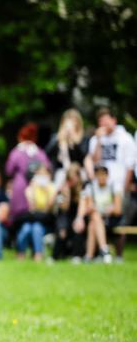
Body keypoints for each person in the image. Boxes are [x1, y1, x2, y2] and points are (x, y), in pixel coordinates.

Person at [85, 107, 134, 259]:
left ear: (114, 120)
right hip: (100, 188)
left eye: (106, 120)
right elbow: (94, 161)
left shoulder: (125, 138)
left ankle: (117, 254)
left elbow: (129, 166)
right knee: (97, 217)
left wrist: (125, 188)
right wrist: (99, 140)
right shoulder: (96, 140)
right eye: (101, 121)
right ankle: (101, 252)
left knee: (119, 220)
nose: (104, 124)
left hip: (117, 186)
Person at [5, 123, 50, 228]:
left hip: (20, 187)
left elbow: (8, 170)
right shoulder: (39, 152)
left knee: (20, 219)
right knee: (34, 217)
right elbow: (47, 167)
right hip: (37, 189)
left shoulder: (17, 152)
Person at [15, 163, 56, 262]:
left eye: (43, 174)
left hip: (45, 220)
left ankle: (38, 254)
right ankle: (21, 252)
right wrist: (33, 189)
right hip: (33, 218)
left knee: (37, 228)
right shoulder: (30, 189)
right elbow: (31, 208)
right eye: (39, 174)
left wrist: (46, 191)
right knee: (26, 228)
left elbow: (48, 208)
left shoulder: (52, 188)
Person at [81, 165, 121, 263]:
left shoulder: (114, 186)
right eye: (98, 175)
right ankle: (104, 250)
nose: (101, 177)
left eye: (103, 175)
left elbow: (117, 210)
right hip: (97, 217)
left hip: (111, 219)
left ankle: (89, 256)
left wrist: (102, 210)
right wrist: (104, 209)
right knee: (94, 219)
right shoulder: (91, 187)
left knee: (93, 222)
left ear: (107, 176)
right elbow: (90, 208)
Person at [45, 109, 87, 188]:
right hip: (61, 174)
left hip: (77, 173)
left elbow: (83, 157)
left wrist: (74, 140)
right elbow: (47, 153)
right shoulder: (56, 138)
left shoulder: (83, 139)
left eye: (73, 121)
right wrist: (59, 139)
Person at [54, 162, 86, 262]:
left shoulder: (84, 187)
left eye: (72, 179)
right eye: (69, 179)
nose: (70, 181)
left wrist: (79, 218)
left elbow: (83, 205)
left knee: (77, 225)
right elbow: (63, 209)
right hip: (64, 216)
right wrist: (66, 195)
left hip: (79, 216)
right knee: (62, 228)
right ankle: (55, 256)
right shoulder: (63, 188)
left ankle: (77, 255)